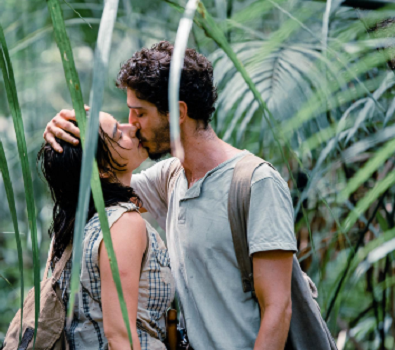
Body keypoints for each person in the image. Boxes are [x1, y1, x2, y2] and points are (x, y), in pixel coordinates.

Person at [43, 41, 297, 350]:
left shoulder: (256, 183)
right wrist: (65, 134)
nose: (132, 126)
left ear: (177, 112)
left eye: (139, 113)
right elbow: (96, 186)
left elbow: (278, 309)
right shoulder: (171, 178)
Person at [38, 112, 175, 350]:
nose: (131, 127)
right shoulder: (123, 223)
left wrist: (68, 119)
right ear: (101, 168)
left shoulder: (71, 226)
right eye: (118, 133)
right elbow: (120, 337)